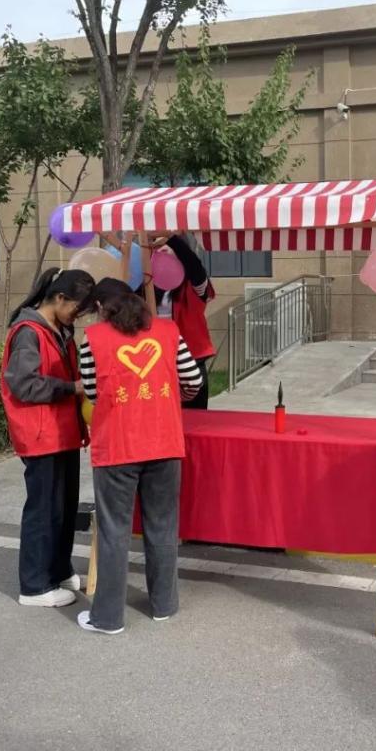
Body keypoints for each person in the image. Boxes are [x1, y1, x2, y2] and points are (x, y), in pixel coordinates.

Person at [77, 279, 203, 634]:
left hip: (117, 446)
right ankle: (164, 606)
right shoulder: (169, 332)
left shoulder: (93, 340)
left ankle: (108, 618)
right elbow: (193, 381)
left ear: (100, 307)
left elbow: (93, 392)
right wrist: (171, 399)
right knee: (162, 525)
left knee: (114, 532)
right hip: (164, 441)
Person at [1, 268, 95, 608]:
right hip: (42, 433)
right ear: (59, 297)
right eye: (77, 309)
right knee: (44, 510)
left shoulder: (59, 330)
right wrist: (72, 388)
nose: (77, 317)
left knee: (64, 508)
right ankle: (35, 585)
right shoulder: (28, 332)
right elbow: (23, 384)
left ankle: (58, 569)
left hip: (62, 431)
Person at [154, 234, 216, 409]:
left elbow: (194, 265)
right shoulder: (149, 286)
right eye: (158, 246)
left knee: (195, 416)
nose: (162, 248)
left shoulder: (195, 285)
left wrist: (171, 238)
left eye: (167, 245)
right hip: (159, 360)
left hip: (191, 359)